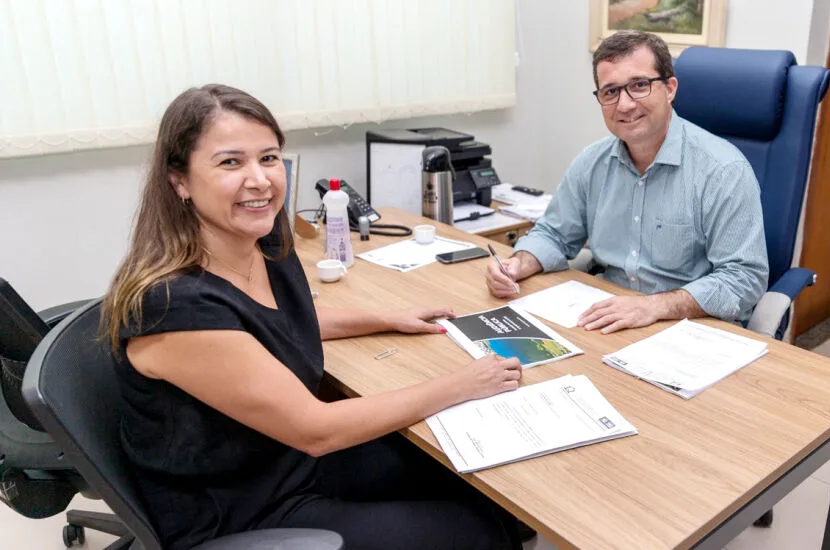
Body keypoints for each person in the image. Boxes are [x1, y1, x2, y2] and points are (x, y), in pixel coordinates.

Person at [100, 84, 524, 550]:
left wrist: (387, 317)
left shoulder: (262, 243)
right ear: (178, 180)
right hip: (242, 506)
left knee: (476, 483)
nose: (260, 180)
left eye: (268, 157)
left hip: (281, 458)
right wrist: (461, 383)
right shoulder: (173, 304)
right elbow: (317, 430)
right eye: (230, 162)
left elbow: (267, 325)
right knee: (473, 534)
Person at [486, 31, 769, 333]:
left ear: (670, 89)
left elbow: (744, 277)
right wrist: (517, 263)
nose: (625, 105)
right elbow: (554, 233)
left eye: (639, 85)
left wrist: (654, 306)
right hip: (609, 318)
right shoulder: (591, 162)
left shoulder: (724, 170)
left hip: (690, 327)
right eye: (610, 92)